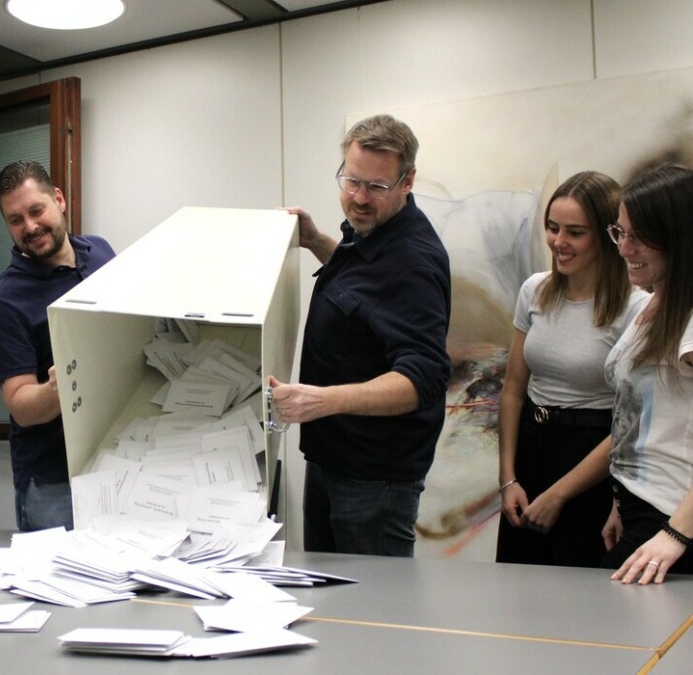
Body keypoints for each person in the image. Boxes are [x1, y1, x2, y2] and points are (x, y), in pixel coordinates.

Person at [270, 114, 451, 557]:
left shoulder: (414, 262)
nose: (359, 198)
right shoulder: (373, 233)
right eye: (351, 181)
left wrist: (322, 400)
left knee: (375, 613)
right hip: (333, 458)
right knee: (332, 600)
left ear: (407, 181)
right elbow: (369, 295)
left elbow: (422, 378)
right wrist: (316, 241)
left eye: (376, 187)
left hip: (374, 480)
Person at [495, 171, 648, 568]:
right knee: (516, 588)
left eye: (575, 232)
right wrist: (508, 478)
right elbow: (513, 389)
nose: (559, 242)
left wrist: (560, 494)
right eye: (552, 227)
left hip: (592, 463)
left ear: (607, 235)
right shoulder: (534, 290)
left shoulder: (635, 307)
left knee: (580, 598)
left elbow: (630, 423)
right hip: (531, 449)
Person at [0, 160, 115, 532]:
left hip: (120, 463)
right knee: (55, 588)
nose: (30, 227)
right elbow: (21, 405)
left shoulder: (101, 252)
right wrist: (60, 388)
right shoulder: (4, 302)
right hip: (55, 482)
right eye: (15, 220)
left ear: (59, 199)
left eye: (36, 210)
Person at [601, 163, 693, 584]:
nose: (624, 248)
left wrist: (677, 533)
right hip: (642, 509)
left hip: (675, 519)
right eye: (620, 232)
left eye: (638, 237)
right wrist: (622, 501)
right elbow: (636, 421)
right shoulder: (652, 302)